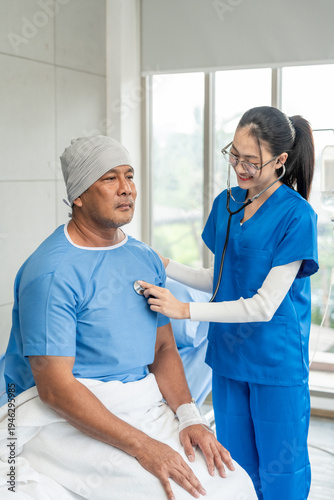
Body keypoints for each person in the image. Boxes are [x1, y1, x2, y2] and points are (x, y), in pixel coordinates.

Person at [0, 136, 257, 500]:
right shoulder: (52, 273)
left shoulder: (143, 258)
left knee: (232, 484)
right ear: (78, 195)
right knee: (176, 493)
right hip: (60, 411)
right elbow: (55, 388)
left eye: (130, 176)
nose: (126, 190)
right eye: (109, 179)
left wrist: (190, 418)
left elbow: (164, 346)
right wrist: (145, 447)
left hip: (137, 402)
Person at [140, 106, 319, 500]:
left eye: (251, 161)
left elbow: (263, 306)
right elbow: (216, 278)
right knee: (233, 468)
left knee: (281, 474)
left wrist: (184, 309)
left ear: (280, 161)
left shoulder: (297, 216)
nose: (240, 167)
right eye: (234, 155)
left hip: (276, 362)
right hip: (228, 359)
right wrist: (164, 264)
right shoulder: (227, 204)